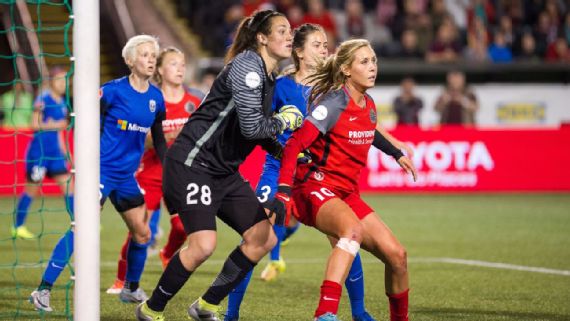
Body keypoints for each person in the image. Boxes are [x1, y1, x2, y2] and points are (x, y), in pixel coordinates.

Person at [135, 10, 303, 321]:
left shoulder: (267, 76)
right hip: (192, 163)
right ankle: (151, 309)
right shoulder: (248, 67)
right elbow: (254, 128)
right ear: (261, 38)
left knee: (263, 238)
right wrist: (284, 121)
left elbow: (249, 131)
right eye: (281, 31)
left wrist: (285, 153)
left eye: (290, 31)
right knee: (203, 245)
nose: (289, 36)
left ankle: (206, 305)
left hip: (223, 171)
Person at [225, 23, 378, 321]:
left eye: (326, 44)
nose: (325, 49)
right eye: (318, 45)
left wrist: (394, 150)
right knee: (256, 240)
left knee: (345, 239)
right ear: (299, 53)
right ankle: (230, 314)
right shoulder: (280, 86)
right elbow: (254, 124)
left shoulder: (335, 91)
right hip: (277, 172)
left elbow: (366, 126)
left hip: (317, 177)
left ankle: (359, 313)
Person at [267, 39, 417, 321]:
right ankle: (324, 314)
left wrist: (396, 153)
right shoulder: (335, 102)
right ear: (346, 69)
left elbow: (369, 132)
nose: (372, 67)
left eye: (373, 60)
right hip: (315, 186)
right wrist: (284, 191)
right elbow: (295, 143)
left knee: (398, 256)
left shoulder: (368, 103)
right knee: (352, 233)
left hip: (346, 193)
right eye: (364, 62)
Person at [29, 35, 168, 312]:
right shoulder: (111, 91)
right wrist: (86, 158)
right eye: (144, 54)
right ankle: (43, 290)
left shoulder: (156, 98)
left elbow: (159, 138)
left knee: (142, 233)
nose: (150, 59)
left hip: (126, 177)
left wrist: (171, 167)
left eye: (153, 55)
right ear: (129, 61)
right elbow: (84, 119)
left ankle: (130, 288)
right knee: (82, 228)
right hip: (100, 172)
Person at [106, 46, 203, 294]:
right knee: (139, 230)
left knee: (182, 227)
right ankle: (121, 279)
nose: (180, 68)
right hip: (148, 174)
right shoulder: (151, 99)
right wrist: (172, 134)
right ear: (160, 69)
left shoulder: (195, 101)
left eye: (182, 64)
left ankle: (167, 253)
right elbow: (145, 138)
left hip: (179, 174)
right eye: (173, 63)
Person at [12, 67, 72, 240]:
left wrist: (66, 153)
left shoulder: (61, 101)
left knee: (69, 187)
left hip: (55, 155)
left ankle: (80, 223)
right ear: (51, 81)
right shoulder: (42, 98)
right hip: (39, 153)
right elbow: (34, 124)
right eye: (59, 80)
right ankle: (18, 226)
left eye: (65, 80)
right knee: (31, 190)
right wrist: (55, 124)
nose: (63, 84)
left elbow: (60, 132)